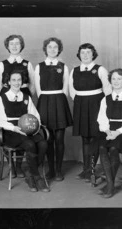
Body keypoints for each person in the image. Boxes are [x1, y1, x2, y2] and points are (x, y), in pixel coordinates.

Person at [0, 70, 49, 192]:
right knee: (29, 144)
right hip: (11, 132)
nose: (16, 82)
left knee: (43, 143)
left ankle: (30, 173)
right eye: (13, 80)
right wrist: (14, 128)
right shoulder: (3, 98)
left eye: (19, 80)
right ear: (8, 82)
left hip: (27, 130)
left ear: (22, 81)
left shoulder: (26, 98)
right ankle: (37, 177)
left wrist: (34, 128)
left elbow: (36, 116)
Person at [69, 43, 112, 182]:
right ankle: (86, 169)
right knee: (85, 137)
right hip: (81, 105)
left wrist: (103, 108)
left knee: (95, 137)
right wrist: (82, 101)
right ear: (79, 55)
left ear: (93, 54)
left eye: (88, 52)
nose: (85, 55)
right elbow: (72, 91)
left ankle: (92, 169)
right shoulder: (74, 70)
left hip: (97, 104)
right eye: (83, 52)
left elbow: (107, 89)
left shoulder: (100, 69)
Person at [0, 34, 35, 178]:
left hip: (23, 95)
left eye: (17, 43)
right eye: (11, 43)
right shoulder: (2, 64)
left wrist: (25, 94)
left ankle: (18, 166)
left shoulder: (27, 64)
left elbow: (33, 86)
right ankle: (11, 165)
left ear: (21, 45)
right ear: (7, 46)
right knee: (9, 131)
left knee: (24, 129)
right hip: (8, 96)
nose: (14, 46)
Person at [35, 37, 73, 181]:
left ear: (59, 49)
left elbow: (66, 88)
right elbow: (38, 89)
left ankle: (58, 170)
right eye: (49, 47)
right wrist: (46, 101)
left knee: (59, 139)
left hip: (59, 101)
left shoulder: (63, 66)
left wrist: (58, 100)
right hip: (44, 102)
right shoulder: (39, 66)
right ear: (45, 49)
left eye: (55, 47)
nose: (52, 50)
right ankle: (50, 169)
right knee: (48, 138)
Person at [97, 68, 122, 198]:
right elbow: (101, 118)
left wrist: (117, 132)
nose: (116, 81)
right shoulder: (105, 99)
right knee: (102, 147)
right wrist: (107, 130)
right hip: (108, 128)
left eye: (119, 78)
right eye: (113, 78)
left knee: (114, 148)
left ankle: (109, 186)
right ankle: (110, 184)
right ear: (110, 81)